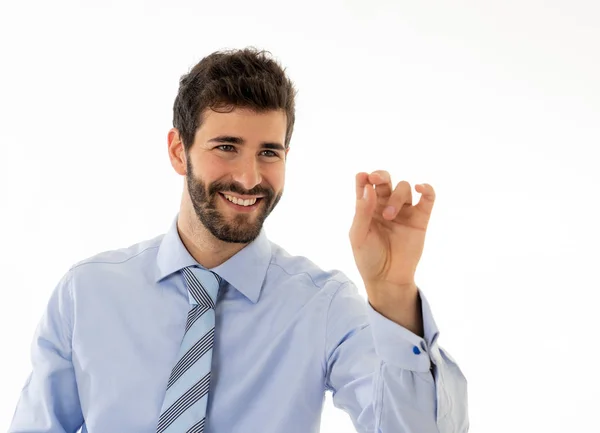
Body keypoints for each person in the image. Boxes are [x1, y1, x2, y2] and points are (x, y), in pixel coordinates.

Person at [8, 47, 468, 433]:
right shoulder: (87, 294)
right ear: (177, 151)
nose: (249, 178)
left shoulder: (322, 306)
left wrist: (393, 293)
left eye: (269, 152)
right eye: (226, 147)